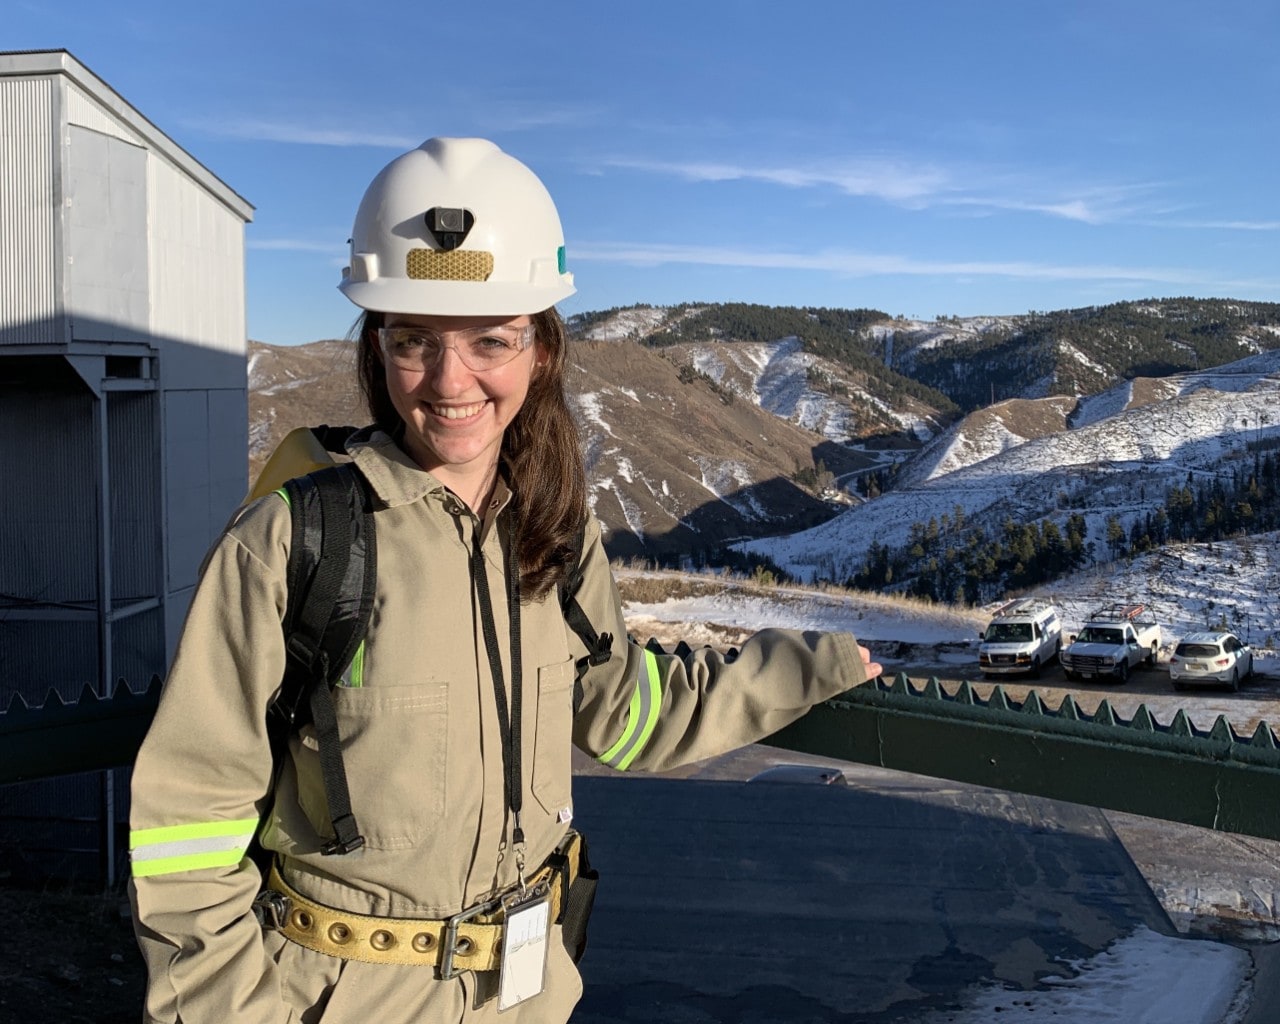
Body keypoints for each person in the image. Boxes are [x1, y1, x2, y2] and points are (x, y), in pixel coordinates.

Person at [128, 136, 881, 1023]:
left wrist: (808, 670)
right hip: (339, 998)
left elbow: (622, 715)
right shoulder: (295, 542)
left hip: (527, 992)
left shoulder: (552, 533)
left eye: (491, 339)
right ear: (377, 347)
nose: (452, 381)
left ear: (540, 350)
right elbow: (187, 824)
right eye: (413, 340)